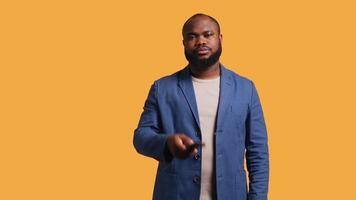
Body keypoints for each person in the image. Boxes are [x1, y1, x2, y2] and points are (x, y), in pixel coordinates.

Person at [133, 13, 269, 200]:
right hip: (175, 194)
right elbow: (140, 137)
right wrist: (167, 143)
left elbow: (258, 152)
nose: (200, 41)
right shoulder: (162, 88)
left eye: (207, 34)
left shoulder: (246, 88)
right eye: (192, 36)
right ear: (183, 44)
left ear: (220, 38)